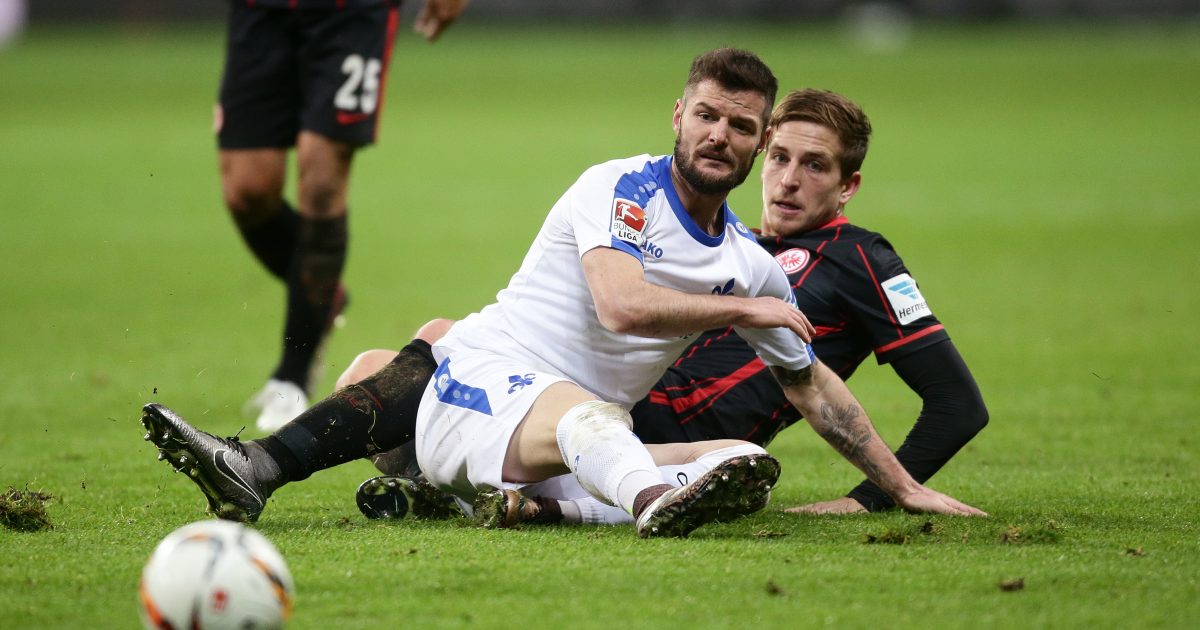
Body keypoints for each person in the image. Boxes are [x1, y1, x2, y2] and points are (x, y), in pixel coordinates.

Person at [140, 49, 982, 539]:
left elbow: (811, 386)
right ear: (678, 117)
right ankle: (642, 501)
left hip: (552, 427)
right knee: (562, 410)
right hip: (514, 379)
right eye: (708, 117)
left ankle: (383, 484)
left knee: (717, 455)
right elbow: (620, 305)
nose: (721, 135)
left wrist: (898, 486)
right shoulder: (619, 189)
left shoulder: (750, 261)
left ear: (757, 141)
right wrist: (743, 309)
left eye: (741, 126)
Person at [347, 88, 988, 520]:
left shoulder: (860, 259)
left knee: (742, 465)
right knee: (396, 357)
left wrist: (870, 498)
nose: (789, 180)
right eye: (780, 158)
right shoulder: (729, 245)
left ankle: (512, 500)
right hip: (594, 399)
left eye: (816, 167)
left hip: (670, 439)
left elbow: (957, 403)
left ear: (848, 186)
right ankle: (464, 492)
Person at [219, 0, 469, 432]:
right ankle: (321, 295)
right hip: (261, 12)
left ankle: (291, 378)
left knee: (321, 181)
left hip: (350, 13)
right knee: (248, 189)